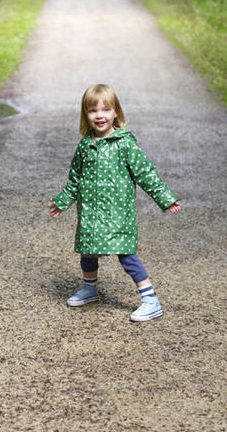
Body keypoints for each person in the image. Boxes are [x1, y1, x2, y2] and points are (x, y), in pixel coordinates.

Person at [49, 84, 180, 322]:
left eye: (106, 109)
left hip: (118, 213)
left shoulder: (124, 143)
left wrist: (165, 198)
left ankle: (151, 300)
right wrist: (63, 200)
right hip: (90, 212)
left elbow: (145, 173)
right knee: (88, 252)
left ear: (116, 112)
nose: (100, 116)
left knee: (126, 255)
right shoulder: (85, 146)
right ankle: (90, 288)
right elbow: (75, 178)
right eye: (93, 111)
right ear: (85, 115)